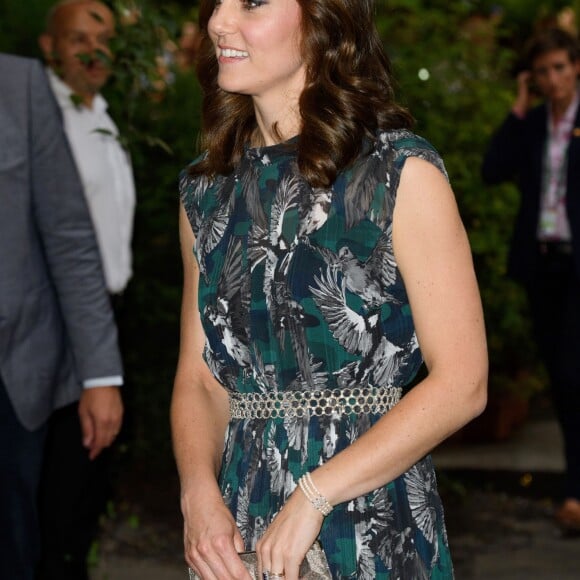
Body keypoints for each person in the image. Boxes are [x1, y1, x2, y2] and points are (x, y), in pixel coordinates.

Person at [171, 1, 488, 578]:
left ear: (324, 19)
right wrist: (197, 496)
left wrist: (315, 496)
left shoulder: (400, 173)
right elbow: (199, 378)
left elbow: (462, 383)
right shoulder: (205, 192)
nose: (220, 22)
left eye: (254, 2)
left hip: (368, 513)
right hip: (239, 522)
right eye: (217, 2)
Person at [0, 53, 123, 580]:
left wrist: (99, 373)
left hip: (11, 371)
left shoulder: (19, 85)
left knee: (12, 547)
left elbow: (69, 235)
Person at [36, 1, 136, 577]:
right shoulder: (43, 123)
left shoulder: (102, 116)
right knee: (56, 481)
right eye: (79, 40)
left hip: (106, 317)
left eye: (103, 42)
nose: (94, 53)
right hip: (64, 323)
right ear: (50, 47)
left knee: (88, 479)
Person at [482, 27, 580, 533]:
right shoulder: (535, 122)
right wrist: (518, 108)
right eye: (542, 72)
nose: (552, 79)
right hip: (544, 267)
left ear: (576, 66)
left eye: (559, 67)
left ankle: (574, 492)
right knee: (563, 380)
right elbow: (492, 170)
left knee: (569, 374)